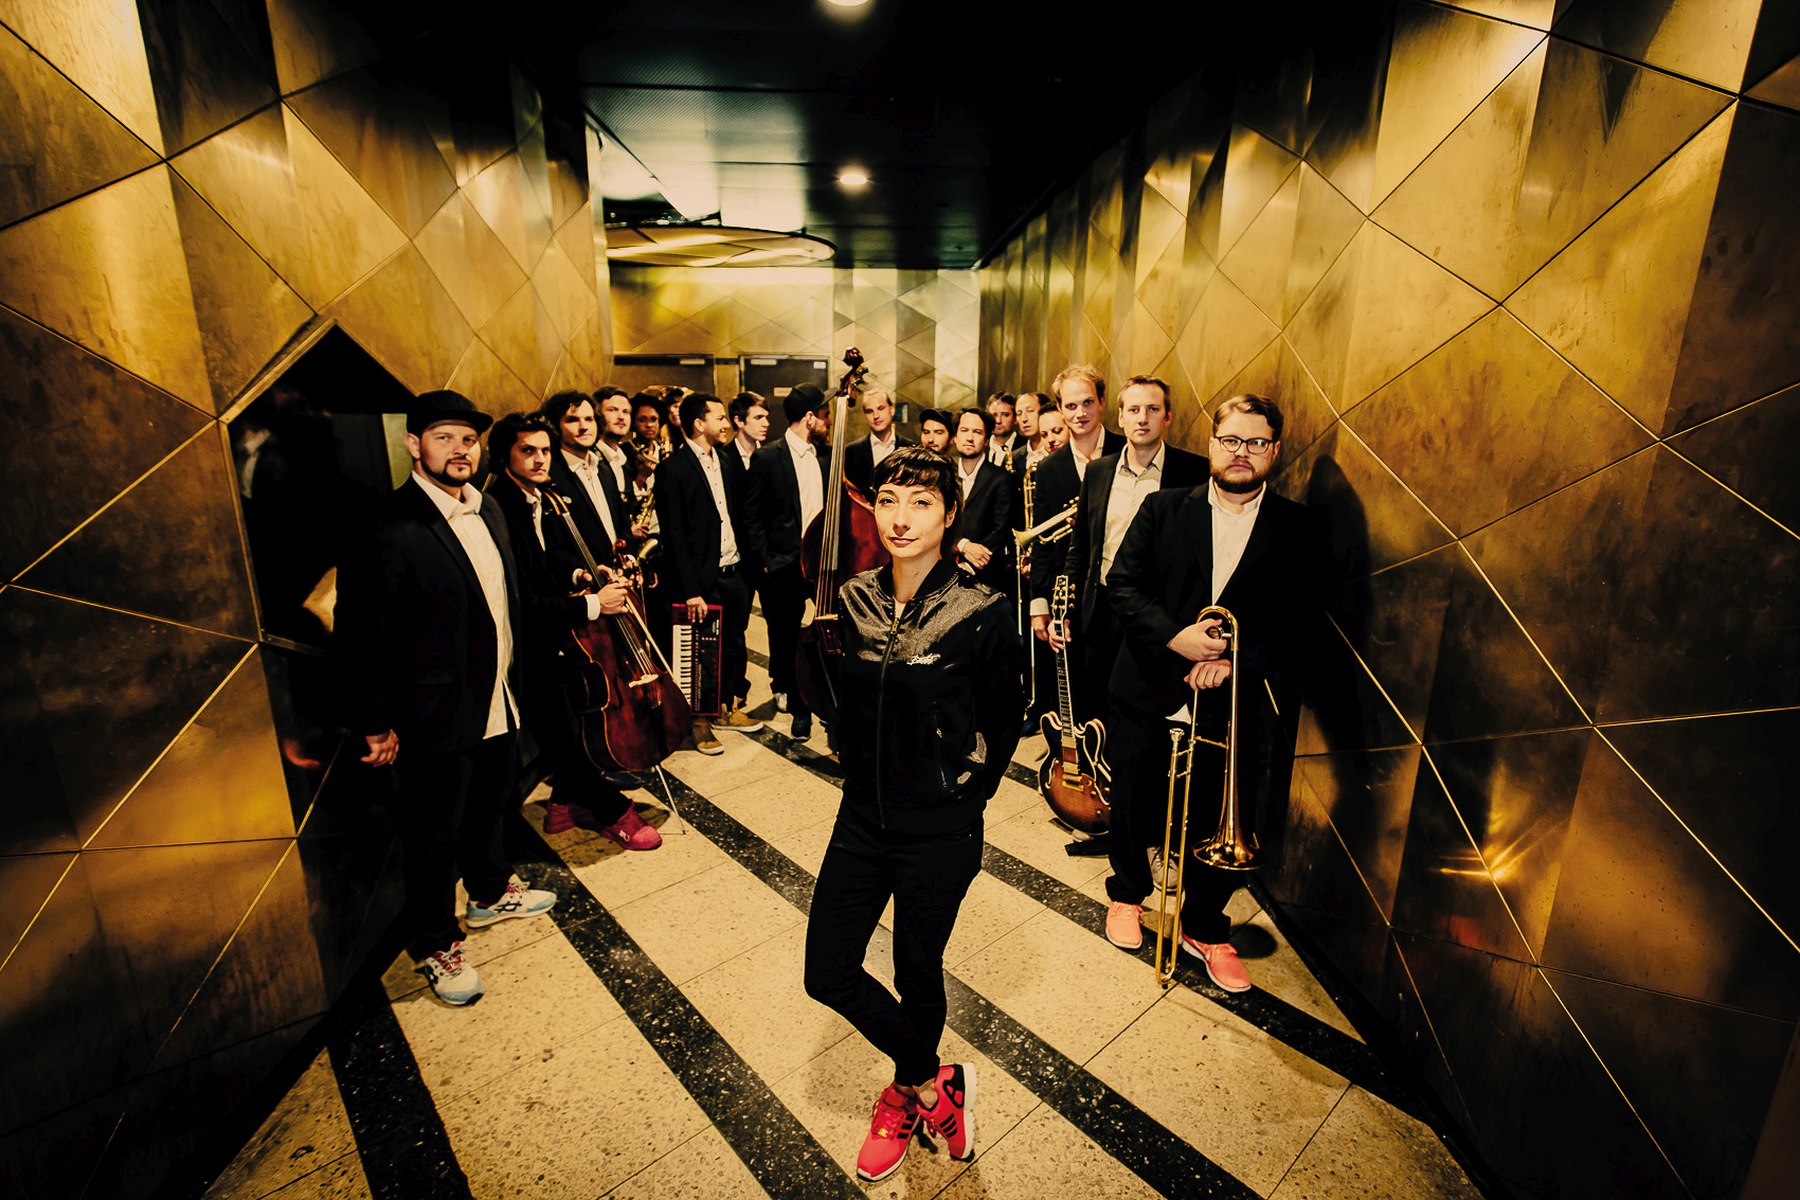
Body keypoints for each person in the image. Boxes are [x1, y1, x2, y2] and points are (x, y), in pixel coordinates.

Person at [802, 446, 1021, 1183]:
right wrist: (811, 639)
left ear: (950, 515)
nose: (901, 518)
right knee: (828, 972)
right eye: (889, 500)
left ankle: (902, 1093)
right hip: (862, 818)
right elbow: (829, 697)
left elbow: (1004, 719)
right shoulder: (853, 597)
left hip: (941, 828)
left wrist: (962, 790)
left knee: (916, 970)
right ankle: (933, 1083)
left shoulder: (982, 610)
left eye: (921, 503)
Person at [335, 390, 557, 1006]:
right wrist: (374, 721)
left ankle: (488, 892)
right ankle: (436, 943)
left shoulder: (487, 509)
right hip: (432, 710)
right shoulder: (386, 524)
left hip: (498, 695)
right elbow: (362, 633)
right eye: (444, 438)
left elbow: (505, 603)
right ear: (413, 444)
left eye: (468, 439)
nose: (460, 450)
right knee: (434, 833)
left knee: (492, 803)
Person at [1100, 393, 1325, 991]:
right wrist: (1177, 638)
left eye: (1256, 442)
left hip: (1230, 697)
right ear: (1211, 444)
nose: (1241, 452)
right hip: (1147, 680)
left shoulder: (1298, 526)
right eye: (1231, 440)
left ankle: (1203, 925)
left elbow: (1301, 620)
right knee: (1132, 796)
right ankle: (1127, 895)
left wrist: (1234, 662)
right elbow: (1122, 586)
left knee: (1215, 811)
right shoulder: (1162, 508)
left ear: (1274, 450)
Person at [484, 412, 662, 848]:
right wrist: (593, 603)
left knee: (569, 723)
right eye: (528, 451)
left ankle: (564, 804)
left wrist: (581, 573)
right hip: (525, 641)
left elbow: (549, 559)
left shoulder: (538, 497)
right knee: (561, 734)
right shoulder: (499, 506)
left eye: (545, 451)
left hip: (555, 632)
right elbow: (521, 595)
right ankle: (611, 810)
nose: (540, 459)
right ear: (504, 456)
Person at [1043, 375, 1208, 723]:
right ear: (1120, 416)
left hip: (1158, 612)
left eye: (1153, 409)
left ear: (1168, 416)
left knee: (1144, 715)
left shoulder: (1192, 471)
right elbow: (1081, 546)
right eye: (1133, 410)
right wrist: (1065, 610)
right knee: (1095, 708)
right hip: (1101, 607)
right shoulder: (1099, 471)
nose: (1142, 418)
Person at [653, 392, 763, 753]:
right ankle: (699, 722)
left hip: (735, 571)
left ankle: (728, 707)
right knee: (701, 654)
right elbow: (674, 536)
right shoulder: (672, 469)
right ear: (699, 424)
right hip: (702, 579)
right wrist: (690, 590)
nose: (726, 423)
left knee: (733, 644)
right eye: (719, 417)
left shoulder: (726, 461)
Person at [748, 383, 832, 740]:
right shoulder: (768, 457)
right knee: (786, 637)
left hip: (823, 563)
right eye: (825, 415)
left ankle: (825, 700)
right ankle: (798, 706)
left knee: (824, 635)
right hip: (784, 565)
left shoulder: (826, 457)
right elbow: (752, 515)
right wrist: (766, 561)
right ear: (810, 418)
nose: (829, 421)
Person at [1027, 364, 1125, 647]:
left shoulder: (1126, 451)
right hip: (1068, 595)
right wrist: (1039, 602)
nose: (1080, 413)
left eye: (1088, 403)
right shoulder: (1048, 468)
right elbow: (1042, 541)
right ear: (1060, 408)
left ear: (1102, 401)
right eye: (1071, 406)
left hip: (1119, 589)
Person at [543, 391, 631, 566]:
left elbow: (623, 525)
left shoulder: (604, 469)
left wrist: (629, 558)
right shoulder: (549, 475)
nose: (584, 427)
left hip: (618, 572)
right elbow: (553, 543)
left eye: (589, 419)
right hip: (585, 576)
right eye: (572, 420)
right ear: (556, 427)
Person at [948, 408, 1014, 589]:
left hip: (986, 574)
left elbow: (1000, 530)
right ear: (955, 437)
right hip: (944, 568)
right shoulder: (945, 476)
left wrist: (970, 564)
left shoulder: (1001, 478)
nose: (970, 438)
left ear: (986, 440)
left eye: (977, 432)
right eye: (964, 430)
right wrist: (962, 545)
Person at [844, 386, 913, 494]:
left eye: (881, 408)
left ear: (892, 409)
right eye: (869, 411)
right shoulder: (851, 451)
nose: (875, 416)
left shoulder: (910, 448)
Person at [728, 390, 770, 472]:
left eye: (766, 417)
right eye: (758, 418)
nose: (766, 423)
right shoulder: (722, 458)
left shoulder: (771, 455)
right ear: (739, 421)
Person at [985, 392, 1020, 468]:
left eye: (1005, 415)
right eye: (994, 415)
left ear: (1015, 418)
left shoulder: (1026, 446)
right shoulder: (981, 446)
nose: (998, 420)